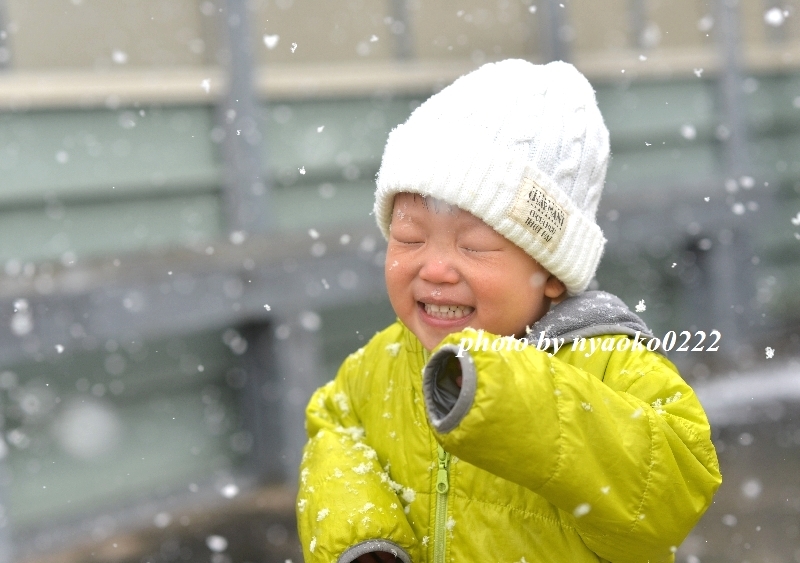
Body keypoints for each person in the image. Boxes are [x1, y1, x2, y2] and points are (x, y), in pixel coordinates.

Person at [296, 59, 721, 563]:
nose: (435, 269)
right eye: (409, 238)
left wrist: (511, 391)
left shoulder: (608, 361)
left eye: (474, 246)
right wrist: (365, 536)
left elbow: (672, 487)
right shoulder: (383, 361)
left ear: (554, 272)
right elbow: (334, 426)